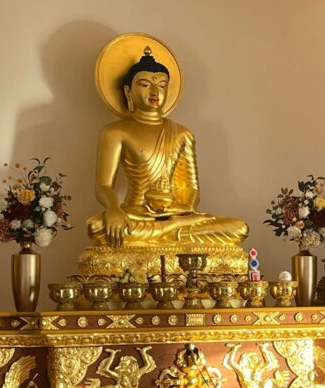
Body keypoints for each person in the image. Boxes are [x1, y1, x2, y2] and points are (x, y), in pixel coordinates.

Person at [87, 46, 248, 248]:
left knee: (238, 228)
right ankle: (170, 231)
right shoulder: (115, 132)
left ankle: (170, 229)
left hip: (176, 215)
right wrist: (113, 209)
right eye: (145, 84)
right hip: (136, 215)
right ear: (128, 91)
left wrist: (178, 211)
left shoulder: (182, 134)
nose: (155, 91)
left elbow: (190, 189)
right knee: (96, 226)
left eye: (162, 85)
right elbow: (103, 186)